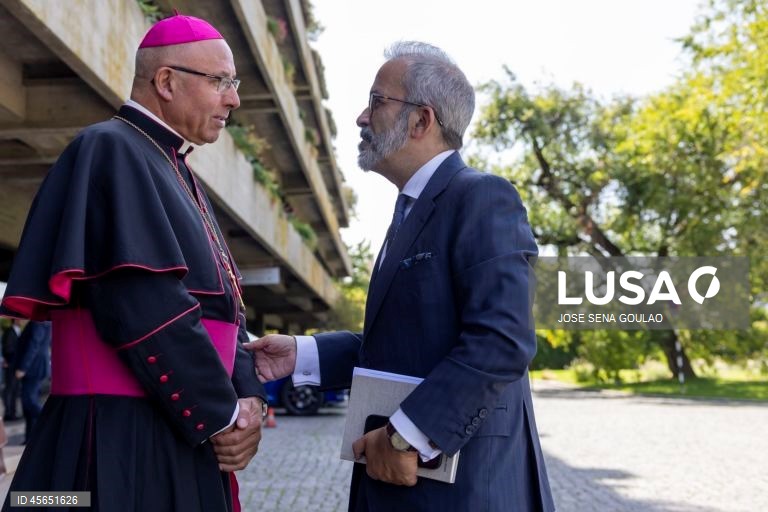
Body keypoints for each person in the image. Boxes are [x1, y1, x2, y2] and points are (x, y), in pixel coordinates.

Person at [248, 42, 555, 512]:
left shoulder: (482, 197)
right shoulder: (408, 212)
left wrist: (404, 436)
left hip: (465, 491)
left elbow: (502, 341)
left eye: (377, 101)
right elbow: (404, 343)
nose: (361, 117)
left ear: (421, 120)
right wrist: (302, 354)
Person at [0, 13, 266, 512]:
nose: (233, 99)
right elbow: (147, 305)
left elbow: (227, 307)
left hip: (173, 425)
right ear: (166, 81)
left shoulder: (177, 168)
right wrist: (223, 413)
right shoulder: (109, 148)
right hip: (116, 434)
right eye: (221, 82)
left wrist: (248, 398)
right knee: (57, 503)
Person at [13, 321, 51, 444]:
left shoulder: (39, 321)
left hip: (33, 368)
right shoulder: (43, 322)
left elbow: (34, 345)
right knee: (28, 404)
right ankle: (30, 437)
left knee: (29, 401)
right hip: (36, 367)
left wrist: (23, 368)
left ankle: (50, 422)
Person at [1, 319, 22, 420]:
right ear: (16, 320)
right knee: (10, 390)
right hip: (10, 365)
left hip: (16, 365)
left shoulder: (17, 331)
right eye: (20, 319)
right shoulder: (10, 332)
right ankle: (8, 413)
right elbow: (7, 349)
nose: (22, 321)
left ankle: (12, 413)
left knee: (15, 390)